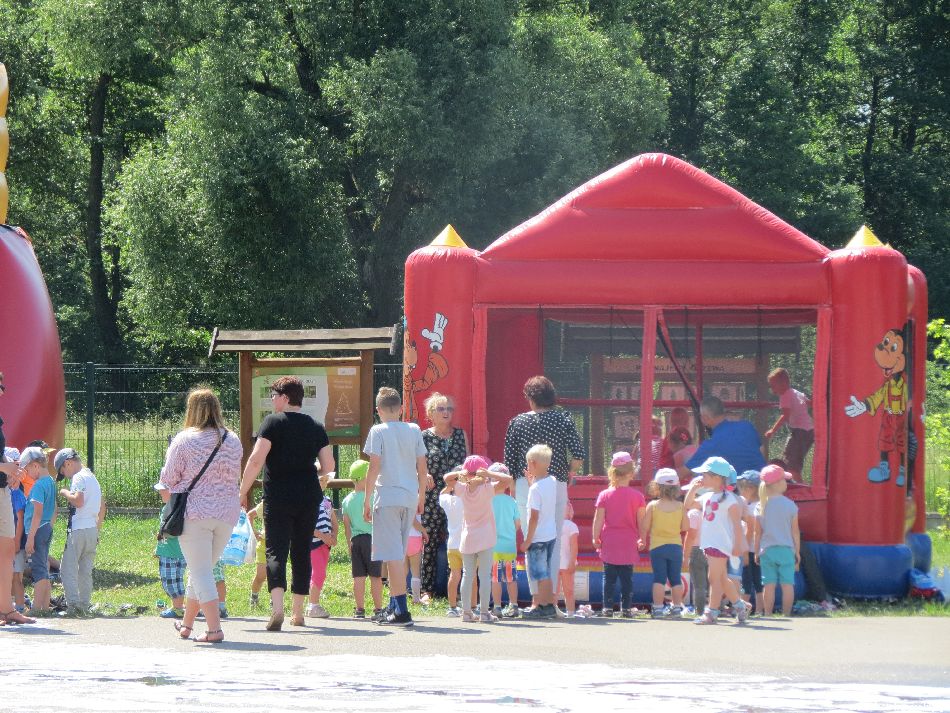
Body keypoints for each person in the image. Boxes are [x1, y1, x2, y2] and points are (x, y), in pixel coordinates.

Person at [240, 376, 334, 631]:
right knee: (302, 550)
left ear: (284, 397)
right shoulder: (315, 426)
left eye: (274, 395)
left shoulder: (272, 422)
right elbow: (329, 466)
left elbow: (256, 460)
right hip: (308, 496)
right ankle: (298, 613)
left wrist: (242, 491)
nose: (272, 400)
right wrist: (310, 469)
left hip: (278, 496)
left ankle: (278, 609)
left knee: (275, 550)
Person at [161, 387, 242, 643]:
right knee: (201, 570)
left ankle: (214, 629)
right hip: (227, 513)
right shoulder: (233, 439)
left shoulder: (184, 439)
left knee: (201, 572)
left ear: (191, 410)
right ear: (217, 409)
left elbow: (168, 478)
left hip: (195, 512)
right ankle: (186, 625)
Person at [504, 376, 585, 610]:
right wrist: (568, 471)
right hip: (555, 483)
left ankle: (536, 600)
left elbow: (510, 462)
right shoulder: (563, 418)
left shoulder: (517, 422)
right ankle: (552, 601)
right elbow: (578, 454)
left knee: (532, 542)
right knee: (554, 541)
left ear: (530, 398)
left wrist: (515, 487)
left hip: (525, 484)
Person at [362, 387, 428, 627]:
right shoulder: (414, 429)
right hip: (409, 496)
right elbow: (422, 467)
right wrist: (421, 497)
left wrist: (367, 499)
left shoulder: (377, 431)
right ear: (401, 408)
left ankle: (401, 610)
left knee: (392, 556)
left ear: (378, 410)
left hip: (387, 496)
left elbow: (374, 467)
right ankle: (393, 606)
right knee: (397, 554)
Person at [446, 455, 513, 623]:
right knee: (484, 576)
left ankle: (466, 612)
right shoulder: (487, 489)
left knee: (467, 575)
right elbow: (508, 480)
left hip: (467, 538)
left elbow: (446, 478)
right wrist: (490, 474)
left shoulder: (461, 489)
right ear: (482, 472)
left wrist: (461, 473)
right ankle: (484, 613)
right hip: (485, 538)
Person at [684, 456, 750, 626]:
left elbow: (737, 525)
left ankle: (711, 612)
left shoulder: (730, 500)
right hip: (710, 544)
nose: (701, 478)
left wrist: (738, 545)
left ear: (717, 478)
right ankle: (740, 606)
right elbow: (688, 504)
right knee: (721, 579)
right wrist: (693, 489)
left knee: (713, 579)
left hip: (721, 544)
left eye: (705, 475)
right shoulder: (707, 497)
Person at [420, 392, 468, 602]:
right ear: (431, 413)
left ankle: (455, 588)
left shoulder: (460, 435)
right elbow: (416, 463)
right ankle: (427, 589)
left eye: (449, 408)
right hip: (433, 495)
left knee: (456, 539)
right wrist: (424, 474)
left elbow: (468, 464)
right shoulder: (424, 436)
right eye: (441, 409)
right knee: (429, 539)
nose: (446, 412)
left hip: (456, 494)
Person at [592, 452, 646, 618]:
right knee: (627, 578)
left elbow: (598, 519)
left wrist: (595, 537)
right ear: (631, 473)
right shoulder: (638, 497)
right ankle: (626, 608)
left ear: (612, 473)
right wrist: (643, 538)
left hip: (609, 541)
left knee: (609, 578)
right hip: (628, 542)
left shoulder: (604, 495)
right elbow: (642, 521)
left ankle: (607, 607)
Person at [0, 373, 34, 625]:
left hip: (2, 491)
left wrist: (10, 470)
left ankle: (6, 609)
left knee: (7, 550)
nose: (2, 392)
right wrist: (5, 468)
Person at [55, 448, 105, 615]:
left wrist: (65, 492)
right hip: (92, 529)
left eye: (63, 471)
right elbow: (102, 507)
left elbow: (78, 501)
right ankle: (84, 606)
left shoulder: (78, 477)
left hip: (78, 529)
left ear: (68, 463)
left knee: (67, 569)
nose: (66, 476)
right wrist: (97, 530)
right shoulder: (92, 477)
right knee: (85, 571)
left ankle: (73, 606)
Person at [681, 396, 766, 480]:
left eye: (701, 416)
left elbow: (683, 473)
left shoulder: (710, 445)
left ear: (706, 418)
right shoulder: (747, 426)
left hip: (740, 487)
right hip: (764, 482)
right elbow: (761, 450)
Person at [754, 464, 801, 616]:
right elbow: (795, 532)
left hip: (767, 550)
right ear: (779, 483)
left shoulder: (760, 506)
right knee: (787, 584)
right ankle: (786, 614)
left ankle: (768, 614)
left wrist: (756, 551)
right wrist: (797, 552)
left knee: (768, 585)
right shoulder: (790, 505)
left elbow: (757, 533)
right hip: (786, 550)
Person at [520, 444, 560, 619]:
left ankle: (543, 606)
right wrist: (532, 484)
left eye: (528, 463)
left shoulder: (535, 490)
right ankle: (549, 604)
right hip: (550, 534)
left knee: (540, 574)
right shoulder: (552, 481)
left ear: (533, 463)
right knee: (546, 572)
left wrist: (528, 540)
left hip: (538, 538)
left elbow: (534, 517)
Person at [341, 459, 384, 619]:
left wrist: (349, 544)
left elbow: (347, 526)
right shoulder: (372, 497)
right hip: (372, 540)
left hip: (356, 541)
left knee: (358, 577)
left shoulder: (346, 500)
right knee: (375, 576)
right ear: (364, 479)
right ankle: (378, 609)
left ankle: (359, 609)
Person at [642, 468, 687, 617]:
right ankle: (677, 608)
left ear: (657, 487)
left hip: (657, 547)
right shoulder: (680, 506)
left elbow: (645, 526)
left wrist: (642, 538)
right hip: (675, 547)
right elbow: (685, 527)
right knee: (675, 579)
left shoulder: (652, 506)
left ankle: (658, 608)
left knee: (659, 578)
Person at [22, 446, 56, 613]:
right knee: (44, 566)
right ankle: (45, 606)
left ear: (35, 465)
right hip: (46, 527)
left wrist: (30, 538)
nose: (27, 473)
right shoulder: (50, 482)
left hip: (36, 531)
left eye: (28, 469)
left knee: (38, 569)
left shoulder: (38, 486)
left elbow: (37, 513)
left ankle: (36, 607)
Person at [765, 368, 815, 480]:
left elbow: (785, 415)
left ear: (784, 383)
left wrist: (773, 430)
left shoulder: (785, 396)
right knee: (793, 460)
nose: (772, 390)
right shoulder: (797, 393)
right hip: (810, 431)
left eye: (773, 386)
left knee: (791, 465)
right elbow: (810, 403)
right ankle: (797, 483)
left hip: (799, 432)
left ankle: (800, 487)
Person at [488, 462, 520, 619]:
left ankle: (497, 607)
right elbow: (517, 524)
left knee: (495, 578)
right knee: (511, 578)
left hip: (493, 546)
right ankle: (514, 605)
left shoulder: (488, 501)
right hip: (510, 546)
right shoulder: (512, 501)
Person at [154, 483, 187, 618]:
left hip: (170, 552)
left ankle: (177, 607)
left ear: (172, 491)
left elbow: (168, 531)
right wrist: (158, 548)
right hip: (178, 551)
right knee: (178, 579)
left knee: (170, 581)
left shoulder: (170, 508)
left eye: (162, 490)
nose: (160, 492)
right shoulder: (181, 506)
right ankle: (179, 606)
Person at [736, 470, 765, 614]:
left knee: (747, 581)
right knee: (758, 582)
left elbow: (750, 530)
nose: (740, 491)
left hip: (751, 550)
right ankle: (759, 610)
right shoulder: (760, 505)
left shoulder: (753, 507)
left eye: (742, 487)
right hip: (757, 549)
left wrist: (745, 552)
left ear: (751, 489)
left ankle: (743, 610)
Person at [439, 469, 465, 616]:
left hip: (452, 545)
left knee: (454, 576)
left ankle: (452, 607)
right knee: (471, 576)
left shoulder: (448, 500)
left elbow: (442, 494)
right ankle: (472, 606)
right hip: (467, 544)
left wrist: (450, 485)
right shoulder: (468, 499)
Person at [308, 491, 338, 618]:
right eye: (320, 481)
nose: (323, 483)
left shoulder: (327, 501)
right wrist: (322, 536)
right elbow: (307, 524)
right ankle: (313, 605)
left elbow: (334, 522)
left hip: (325, 545)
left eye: (325, 481)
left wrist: (334, 536)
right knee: (318, 573)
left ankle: (313, 604)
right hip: (314, 543)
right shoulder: (308, 499)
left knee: (320, 574)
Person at [682, 484, 707, 617]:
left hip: (696, 550)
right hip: (711, 548)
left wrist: (686, 556)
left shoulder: (693, 513)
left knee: (699, 584)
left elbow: (691, 535)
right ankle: (715, 608)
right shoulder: (711, 513)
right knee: (713, 582)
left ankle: (700, 611)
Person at [558, 500, 579, 617]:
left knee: (568, 589)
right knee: (555, 591)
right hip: (556, 563)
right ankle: (554, 610)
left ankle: (570, 612)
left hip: (566, 563)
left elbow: (574, 545)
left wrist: (572, 562)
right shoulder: (552, 524)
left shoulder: (571, 526)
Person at [246, 501, 267, 608]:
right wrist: (254, 532)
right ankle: (254, 597)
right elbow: (250, 515)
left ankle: (274, 601)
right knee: (261, 576)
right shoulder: (265, 503)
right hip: (263, 544)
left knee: (276, 575)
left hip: (280, 544)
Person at [406, 514, 427, 604]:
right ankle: (416, 599)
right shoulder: (414, 504)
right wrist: (424, 531)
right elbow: (413, 521)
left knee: (403, 573)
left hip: (402, 537)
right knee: (415, 572)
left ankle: (399, 597)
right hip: (414, 537)